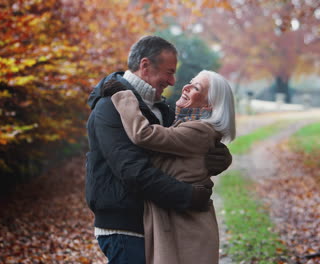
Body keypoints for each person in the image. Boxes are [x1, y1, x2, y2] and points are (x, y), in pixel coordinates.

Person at [85, 36, 232, 263]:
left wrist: (219, 156)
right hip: (125, 224)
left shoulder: (163, 108)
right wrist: (188, 196)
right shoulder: (110, 107)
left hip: (156, 220)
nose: (174, 81)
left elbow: (185, 146)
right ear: (145, 66)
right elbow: (134, 171)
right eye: (169, 72)